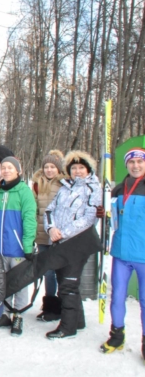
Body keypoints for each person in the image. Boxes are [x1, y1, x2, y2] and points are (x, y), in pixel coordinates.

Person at [42, 150, 101, 339]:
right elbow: (50, 210)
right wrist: (51, 229)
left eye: (81, 168)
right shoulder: (65, 187)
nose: (77, 171)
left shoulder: (93, 188)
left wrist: (63, 233)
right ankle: (78, 319)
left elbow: (88, 218)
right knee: (65, 281)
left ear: (88, 169)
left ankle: (68, 326)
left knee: (68, 284)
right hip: (59, 241)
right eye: (74, 168)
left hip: (77, 243)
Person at [102, 148, 145, 357]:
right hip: (120, 253)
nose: (136, 166)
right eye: (132, 162)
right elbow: (111, 214)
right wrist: (103, 211)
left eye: (140, 162)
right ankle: (117, 335)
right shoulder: (119, 188)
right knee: (117, 296)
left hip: (144, 255)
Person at [0, 156, 37, 336]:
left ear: (18, 170)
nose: (6, 170)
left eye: (10, 167)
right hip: (0, 248)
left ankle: (19, 314)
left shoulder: (24, 192)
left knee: (20, 283)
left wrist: (27, 246)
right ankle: (6, 312)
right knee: (3, 281)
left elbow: (29, 220)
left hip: (17, 248)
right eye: (4, 167)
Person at [32, 150, 65, 321]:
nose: (49, 170)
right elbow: (34, 209)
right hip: (43, 235)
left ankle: (63, 304)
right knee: (48, 272)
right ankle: (50, 306)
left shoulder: (65, 184)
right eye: (47, 167)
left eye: (53, 167)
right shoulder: (38, 183)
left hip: (60, 234)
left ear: (58, 169)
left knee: (61, 271)